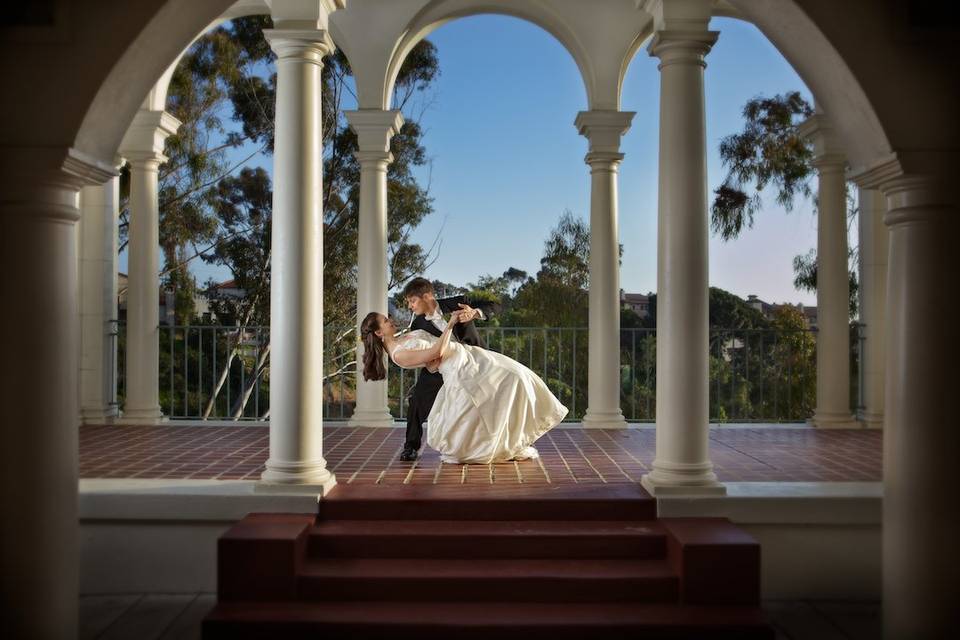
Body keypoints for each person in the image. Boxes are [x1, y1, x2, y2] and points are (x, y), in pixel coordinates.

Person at [360, 310, 568, 465]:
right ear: (379, 332)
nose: (391, 320)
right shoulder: (398, 354)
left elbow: (432, 362)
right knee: (507, 384)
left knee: (517, 374)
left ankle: (511, 436)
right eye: (386, 321)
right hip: (459, 367)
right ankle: (497, 443)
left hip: (467, 355)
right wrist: (450, 324)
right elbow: (434, 352)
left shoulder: (401, 339)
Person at [398, 277, 500, 461]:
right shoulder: (417, 325)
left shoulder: (457, 303)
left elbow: (495, 305)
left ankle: (505, 440)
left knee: (499, 393)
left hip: (475, 362)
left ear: (427, 296)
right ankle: (410, 446)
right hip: (442, 367)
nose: (410, 306)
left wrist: (474, 313)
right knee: (416, 400)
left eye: (412, 301)